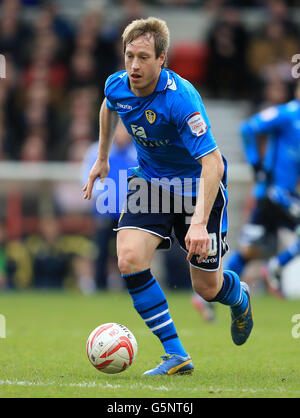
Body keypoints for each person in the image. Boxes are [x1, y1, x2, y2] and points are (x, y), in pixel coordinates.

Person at [83, 17, 253, 376]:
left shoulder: (182, 100)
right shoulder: (118, 85)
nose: (134, 65)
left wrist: (198, 224)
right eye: (129, 55)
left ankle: (238, 296)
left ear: (162, 59)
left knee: (207, 288)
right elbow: (108, 106)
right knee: (128, 258)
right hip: (151, 184)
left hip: (198, 189)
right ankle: (177, 355)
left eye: (143, 57)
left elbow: (213, 165)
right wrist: (102, 158)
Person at [225, 81, 300, 299]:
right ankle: (276, 266)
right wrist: (256, 165)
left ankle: (209, 296)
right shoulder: (287, 113)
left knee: (250, 250)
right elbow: (247, 128)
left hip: (279, 195)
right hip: (275, 193)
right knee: (252, 249)